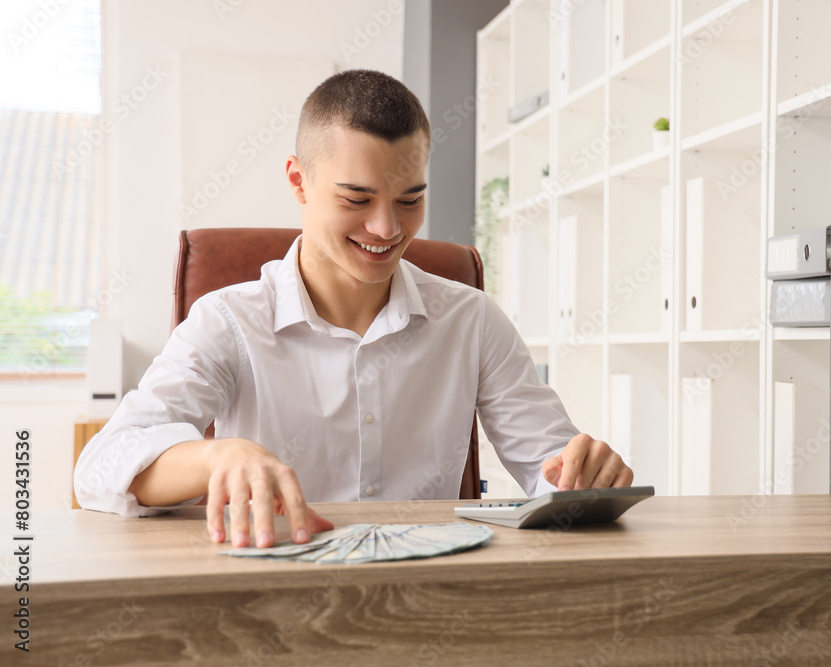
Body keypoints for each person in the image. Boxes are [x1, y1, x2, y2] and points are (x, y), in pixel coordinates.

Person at [74, 69, 633, 550]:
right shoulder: (229, 322)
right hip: (275, 595)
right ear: (299, 180)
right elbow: (100, 468)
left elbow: (553, 476)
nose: (387, 229)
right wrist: (218, 457)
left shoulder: (472, 320)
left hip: (429, 597)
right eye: (356, 200)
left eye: (410, 200)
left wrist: (582, 478)